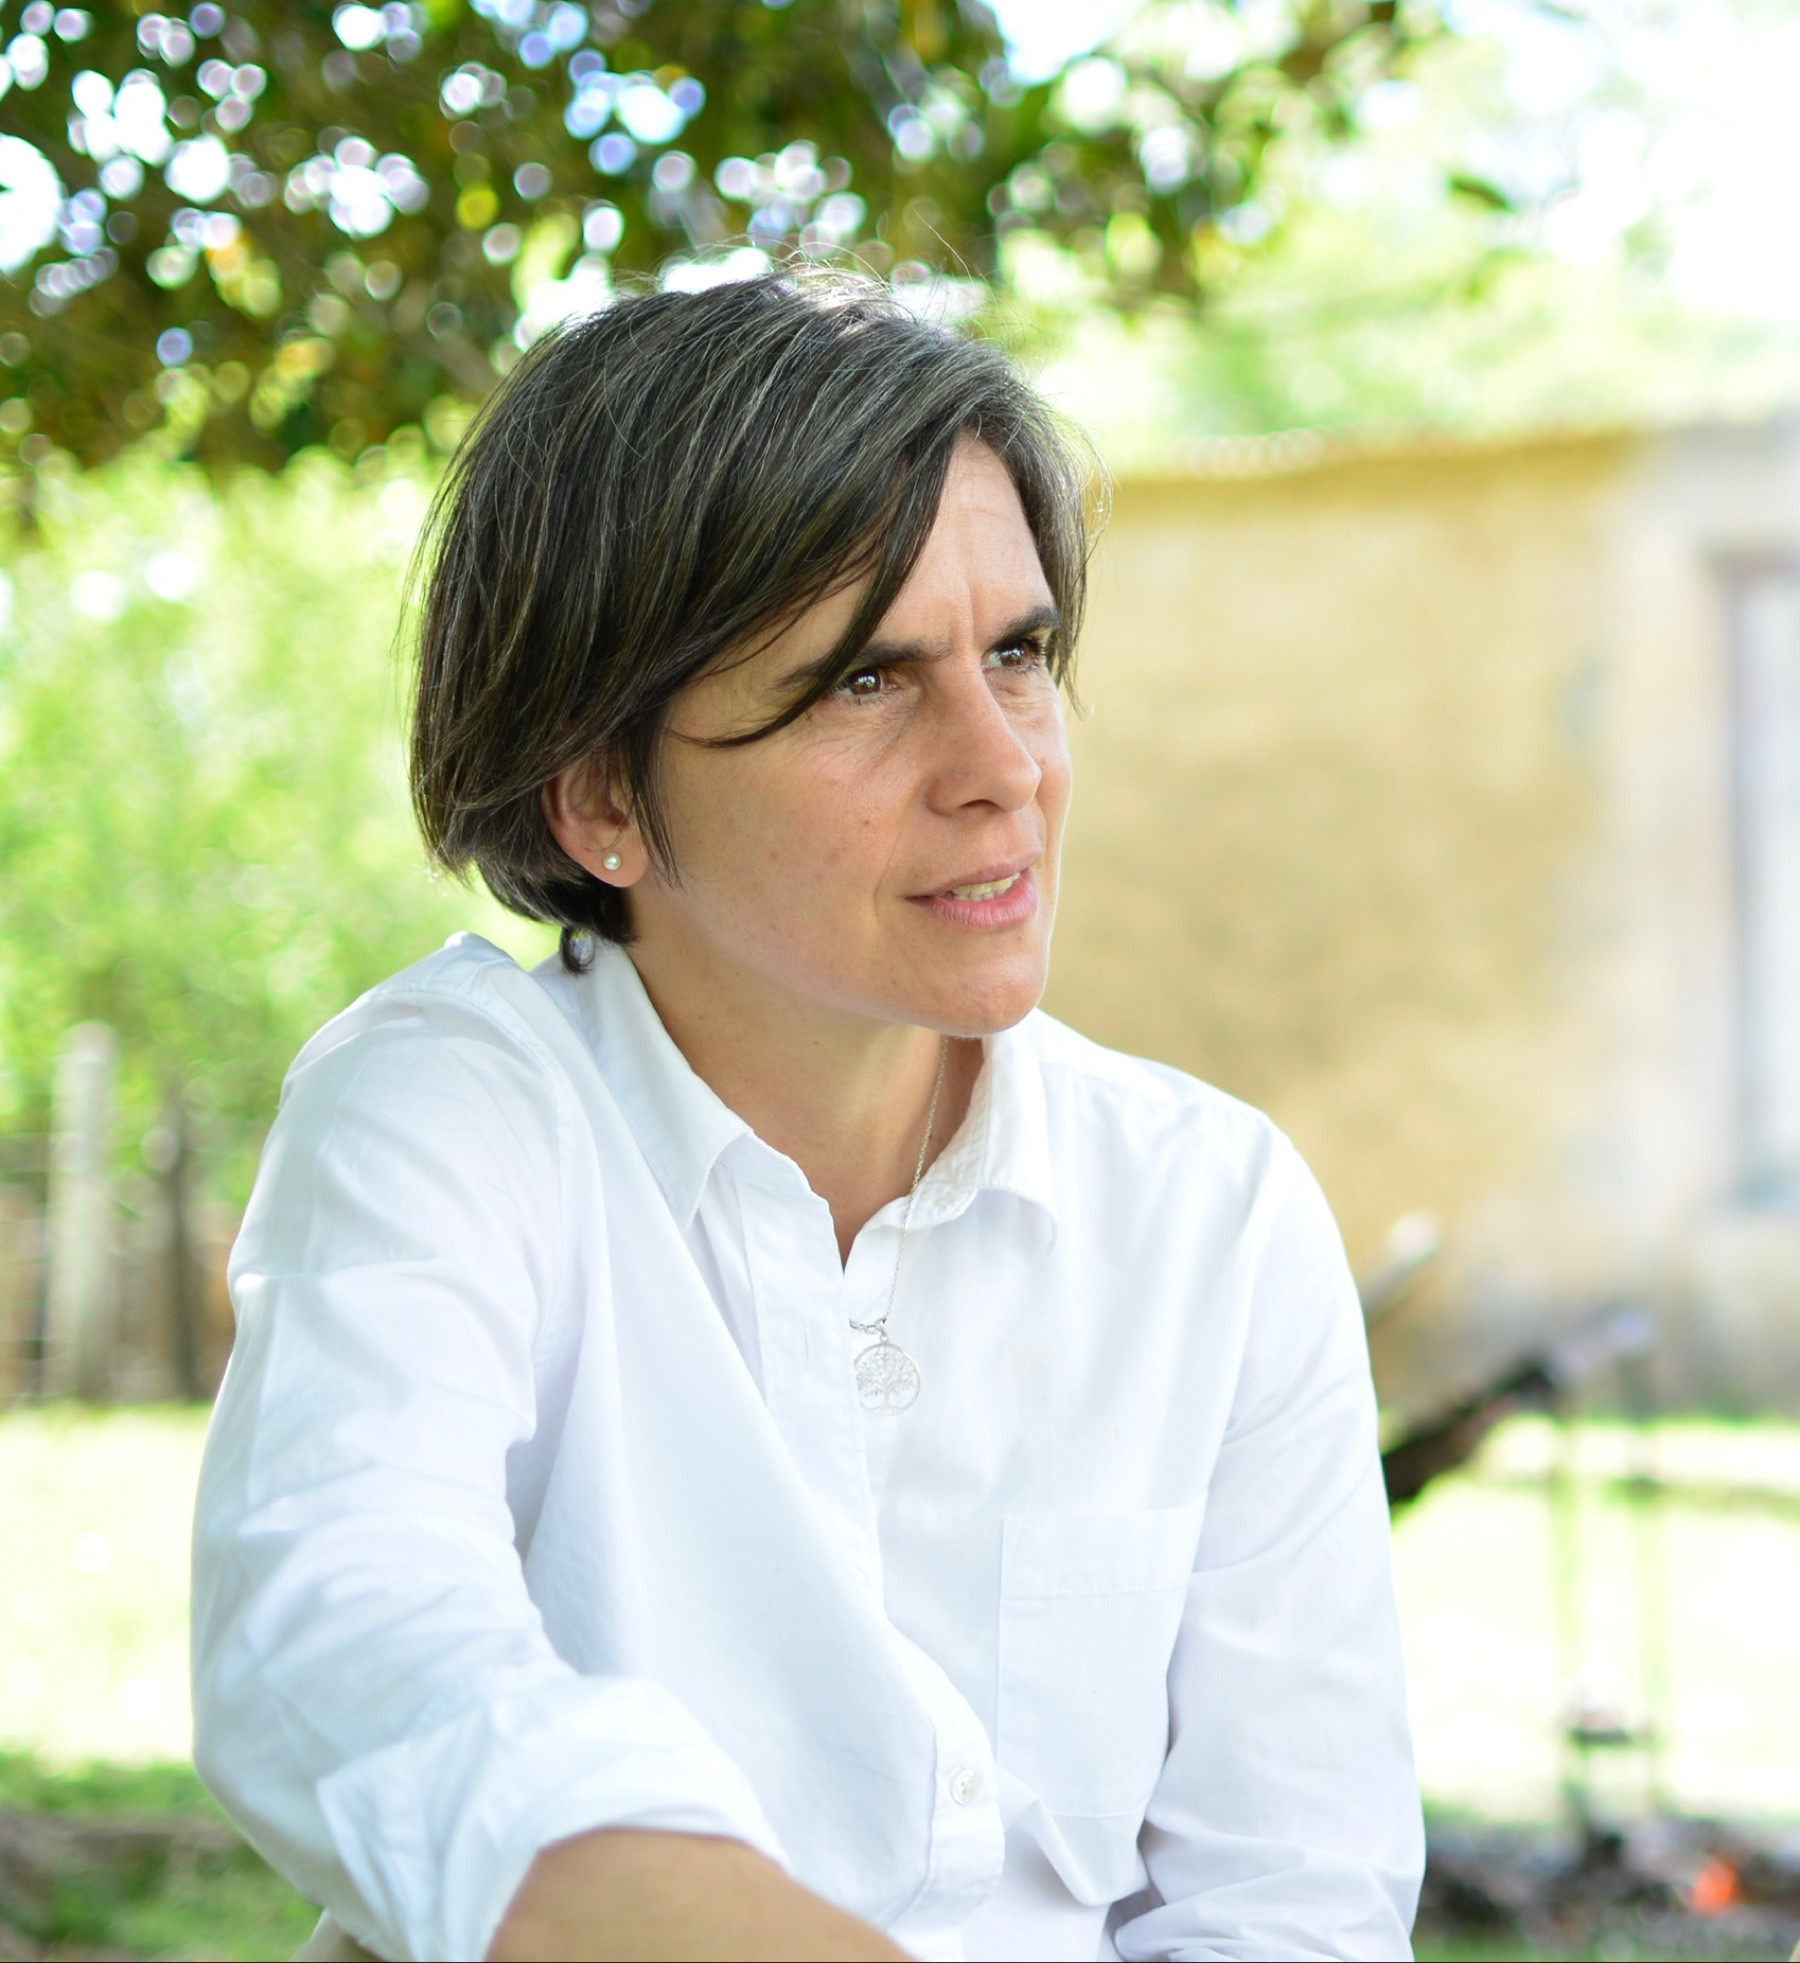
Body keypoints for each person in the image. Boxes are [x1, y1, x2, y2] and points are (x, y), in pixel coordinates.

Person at [191, 274, 1423, 1963]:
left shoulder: (1211, 1211)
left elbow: (1292, 1900)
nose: (1005, 766)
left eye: (1019, 654)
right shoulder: (449, 1117)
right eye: (863, 681)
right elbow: (344, 1638)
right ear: (603, 794)